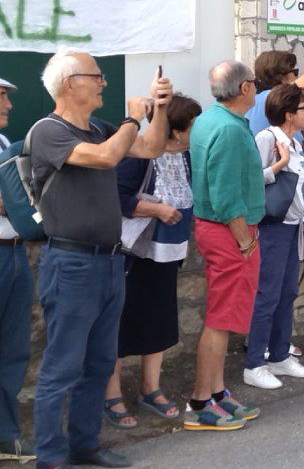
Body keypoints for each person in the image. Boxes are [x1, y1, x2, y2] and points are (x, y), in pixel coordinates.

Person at [31, 50, 171, 468]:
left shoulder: (98, 128)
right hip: (71, 264)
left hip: (110, 262)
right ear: (70, 82)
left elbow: (151, 147)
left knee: (98, 363)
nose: (103, 83)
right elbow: (109, 156)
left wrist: (159, 109)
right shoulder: (48, 131)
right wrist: (132, 118)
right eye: (97, 76)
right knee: (61, 368)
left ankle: (85, 446)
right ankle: (51, 457)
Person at [104, 95, 202, 429]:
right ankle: (111, 393)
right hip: (135, 254)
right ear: (175, 131)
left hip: (167, 254)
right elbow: (115, 198)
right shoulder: (140, 156)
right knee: (122, 323)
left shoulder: (186, 156)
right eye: (193, 125)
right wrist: (158, 209)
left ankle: (151, 388)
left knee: (160, 321)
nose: (198, 131)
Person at [187, 61, 264, 431]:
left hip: (218, 228)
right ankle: (201, 401)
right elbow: (226, 192)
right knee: (220, 320)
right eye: (253, 83)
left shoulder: (210, 119)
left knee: (225, 316)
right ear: (244, 88)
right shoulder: (230, 130)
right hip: (230, 231)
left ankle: (217, 394)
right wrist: (245, 240)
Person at [243, 84, 304, 389]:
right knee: (268, 293)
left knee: (287, 292)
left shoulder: (295, 142)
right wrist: (278, 166)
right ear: (288, 113)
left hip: (292, 224)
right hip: (272, 225)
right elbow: (251, 180)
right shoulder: (267, 139)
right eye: (303, 108)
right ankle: (255, 362)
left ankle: (279, 354)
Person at [0, 79, 34, 463]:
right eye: (2, 96)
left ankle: (6, 436)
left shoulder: (1, 141)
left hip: (15, 253)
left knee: (13, 352)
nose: (9, 102)